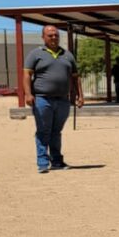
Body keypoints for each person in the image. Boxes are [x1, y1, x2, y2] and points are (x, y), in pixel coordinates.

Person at [23, 25, 84, 173]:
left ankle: (57, 161)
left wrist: (80, 96)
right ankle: (43, 163)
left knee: (56, 131)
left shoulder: (68, 55)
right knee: (44, 131)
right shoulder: (35, 54)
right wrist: (28, 94)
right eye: (50, 35)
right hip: (42, 99)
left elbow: (76, 78)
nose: (54, 38)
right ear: (43, 37)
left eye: (56, 35)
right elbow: (26, 75)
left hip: (63, 100)